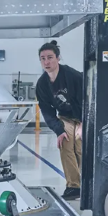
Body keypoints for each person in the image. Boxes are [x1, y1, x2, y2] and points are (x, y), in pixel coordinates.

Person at [35, 40, 84, 200]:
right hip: (66, 117)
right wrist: (59, 130)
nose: (46, 62)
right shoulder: (42, 84)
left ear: (58, 58)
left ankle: (87, 183)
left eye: (50, 57)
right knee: (65, 142)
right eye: (43, 59)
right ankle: (74, 187)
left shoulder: (73, 76)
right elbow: (47, 111)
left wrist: (84, 123)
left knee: (80, 146)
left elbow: (86, 100)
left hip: (83, 116)